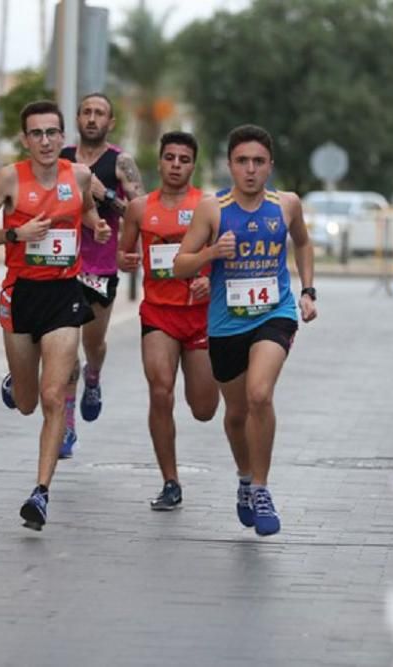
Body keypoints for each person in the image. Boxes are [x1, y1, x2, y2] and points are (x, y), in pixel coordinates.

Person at [0, 100, 110, 530]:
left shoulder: (79, 176)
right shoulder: (9, 178)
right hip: (21, 294)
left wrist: (95, 226)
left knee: (53, 397)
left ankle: (41, 492)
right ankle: (16, 380)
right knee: (27, 402)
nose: (46, 141)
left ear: (63, 138)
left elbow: (84, 207)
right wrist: (15, 233)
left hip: (64, 295)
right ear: (25, 140)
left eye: (52, 133)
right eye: (37, 134)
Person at [173, 124, 317, 536]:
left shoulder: (286, 205)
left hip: (275, 313)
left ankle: (262, 487)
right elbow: (179, 264)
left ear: (270, 165)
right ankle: (243, 476)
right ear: (230, 166)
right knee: (236, 414)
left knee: (259, 394)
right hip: (225, 324)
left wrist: (307, 290)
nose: (250, 170)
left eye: (258, 162)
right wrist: (211, 253)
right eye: (242, 162)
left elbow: (303, 243)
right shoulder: (211, 209)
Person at [117, 131, 219, 510]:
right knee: (160, 391)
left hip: (201, 316)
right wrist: (122, 260)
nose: (176, 165)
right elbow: (123, 252)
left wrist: (211, 278)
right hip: (159, 313)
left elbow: (225, 256)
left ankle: (208, 390)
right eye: (170, 158)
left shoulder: (208, 206)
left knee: (204, 409)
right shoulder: (140, 209)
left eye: (184, 159)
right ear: (159, 162)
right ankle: (170, 481)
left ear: (193, 165)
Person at [57, 93, 145, 458]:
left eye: (100, 114)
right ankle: (67, 427)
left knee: (91, 344)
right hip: (60, 264)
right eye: (86, 112)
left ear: (110, 123)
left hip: (101, 266)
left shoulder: (120, 161)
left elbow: (141, 211)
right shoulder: (60, 158)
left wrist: (105, 194)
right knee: (64, 348)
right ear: (77, 119)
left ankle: (93, 376)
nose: (92, 118)